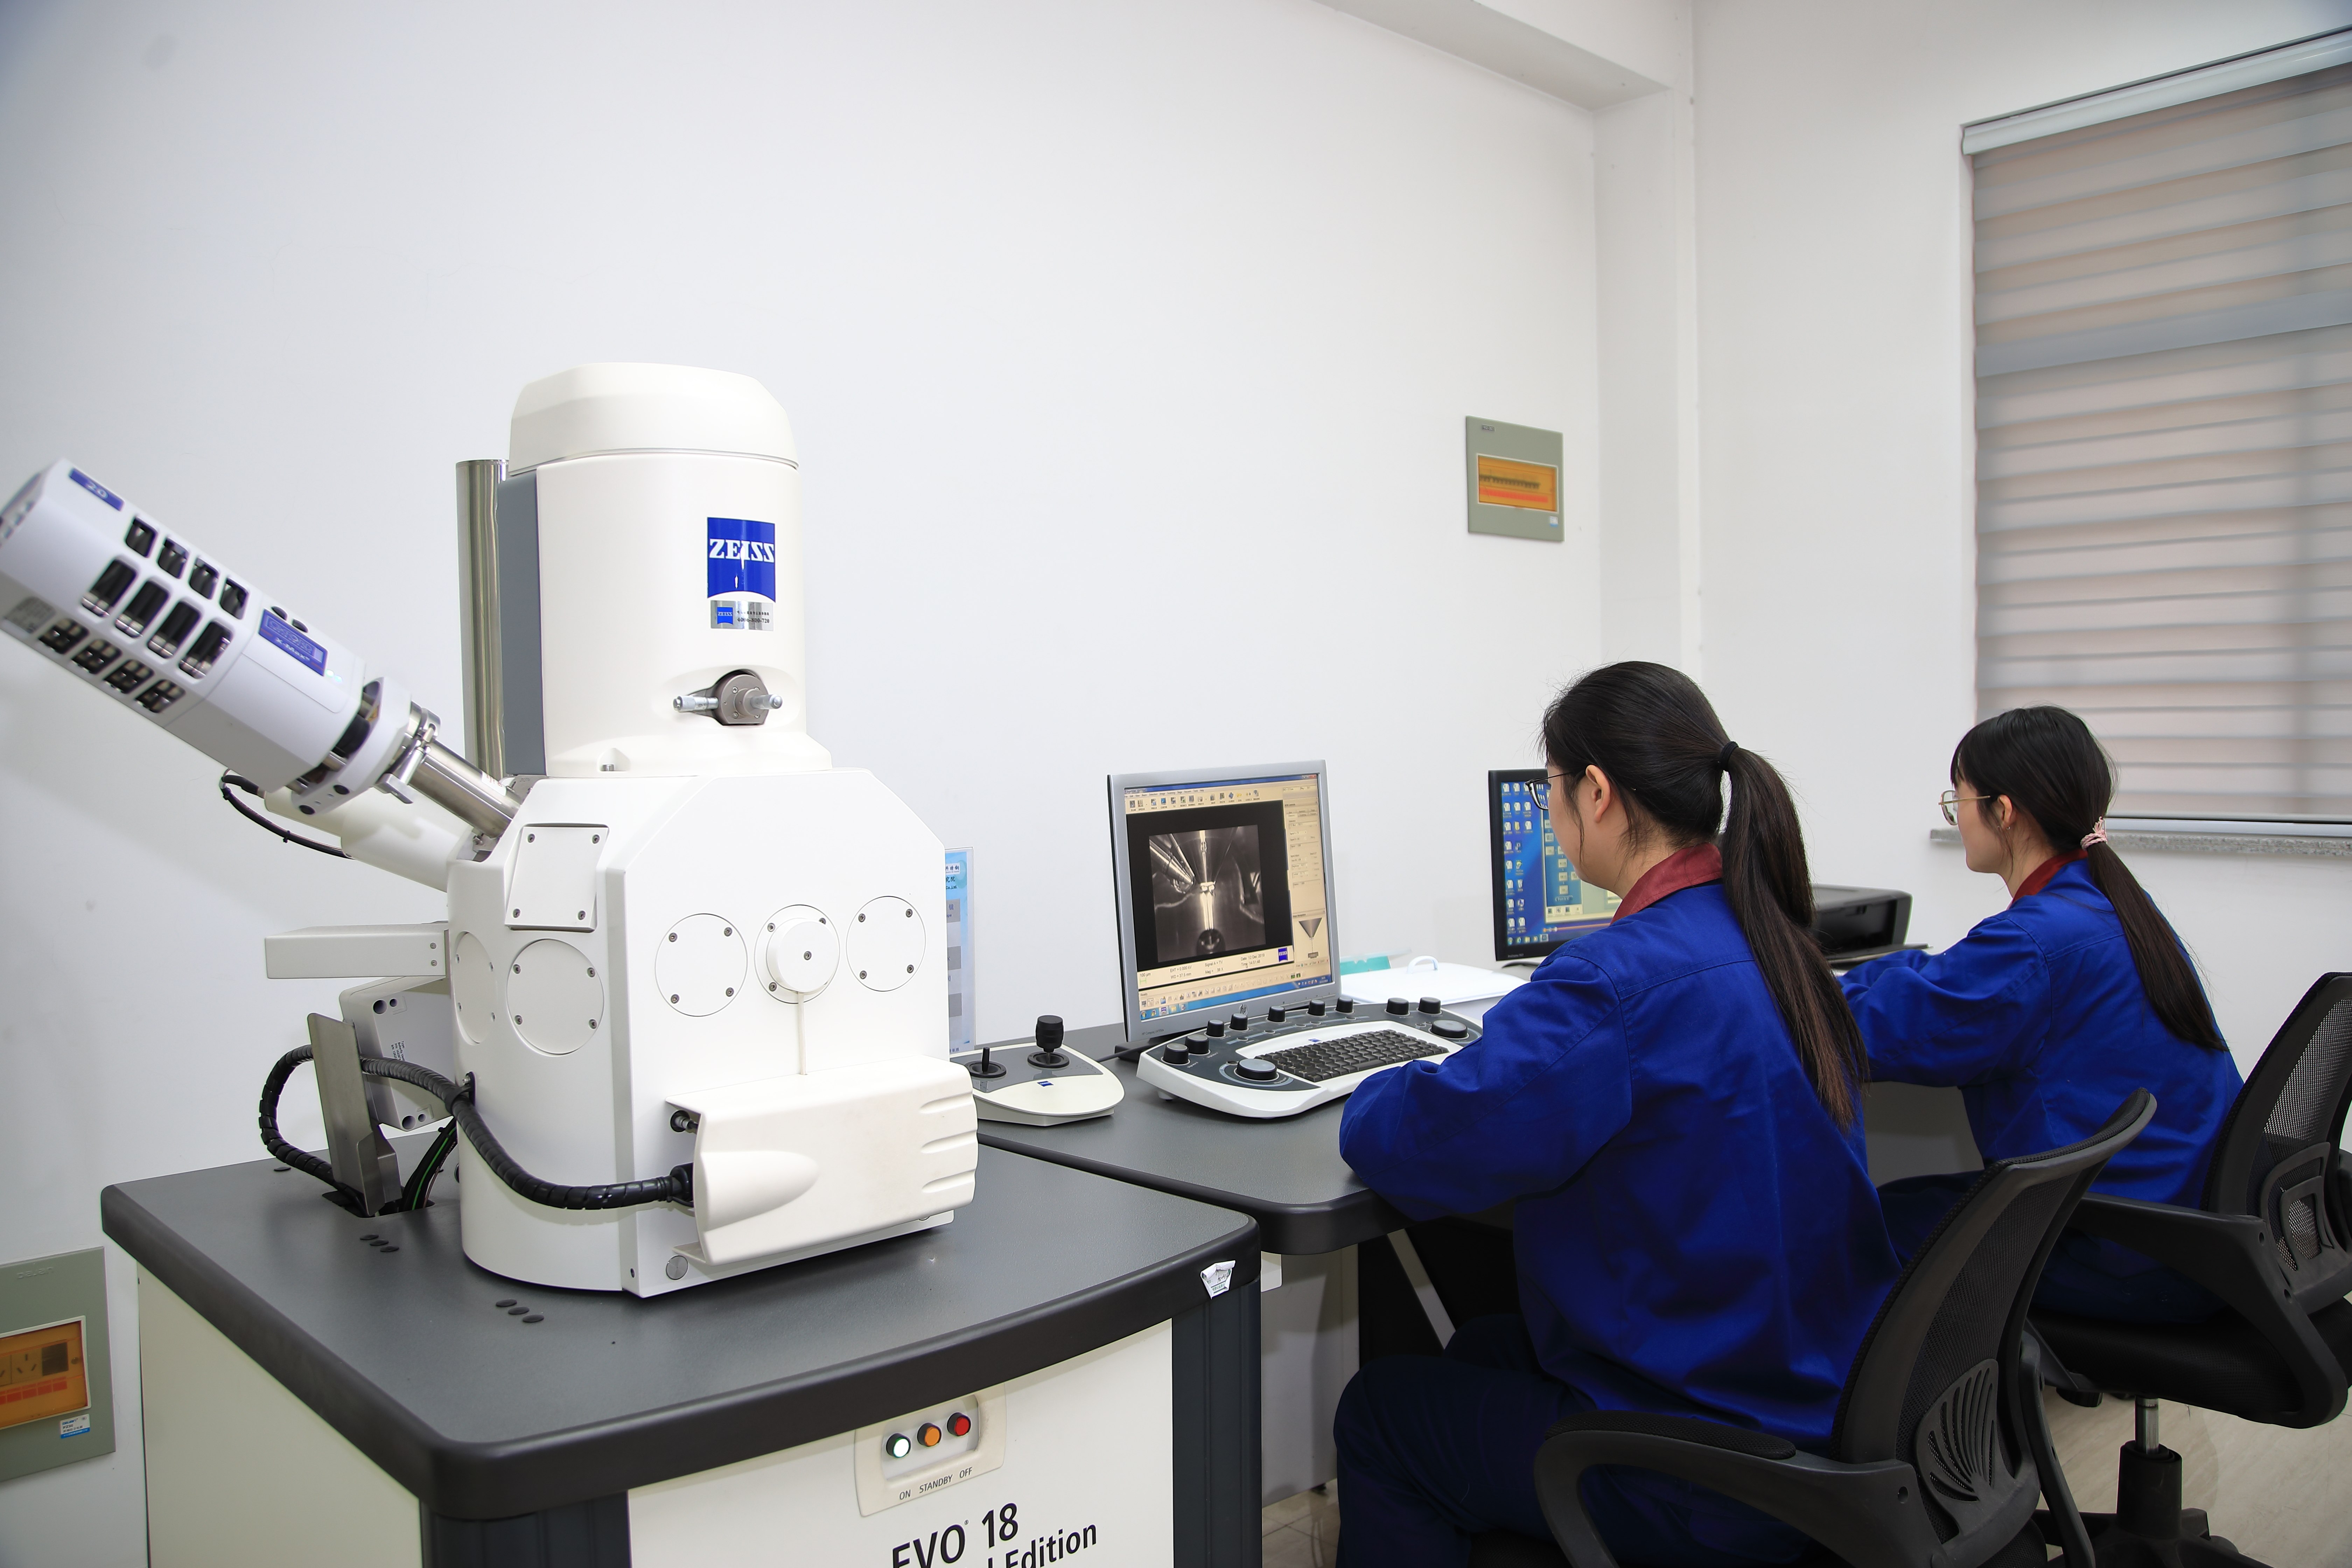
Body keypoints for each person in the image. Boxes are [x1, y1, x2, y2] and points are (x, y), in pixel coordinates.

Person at [1332, 662, 1900, 1568]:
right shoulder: (1776, 941)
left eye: (1552, 791)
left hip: (1699, 1467)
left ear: (1595, 793)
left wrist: (1376, 1083)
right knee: (1481, 1345)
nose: (1552, 815)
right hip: (1813, 1412)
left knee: (1380, 1413)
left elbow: (1426, 1139)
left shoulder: (1616, 980)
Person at [1842, 706, 2242, 1324]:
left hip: (2112, 1250)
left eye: (1958, 800)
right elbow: (1946, 981)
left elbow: (1880, 1034)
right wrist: (1876, 978)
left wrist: (1806, 987)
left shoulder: (2036, 941)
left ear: (2003, 811)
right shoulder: (2106, 905)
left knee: (1856, 1226)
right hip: (2182, 1225)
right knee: (1914, 1199)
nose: (1956, 817)